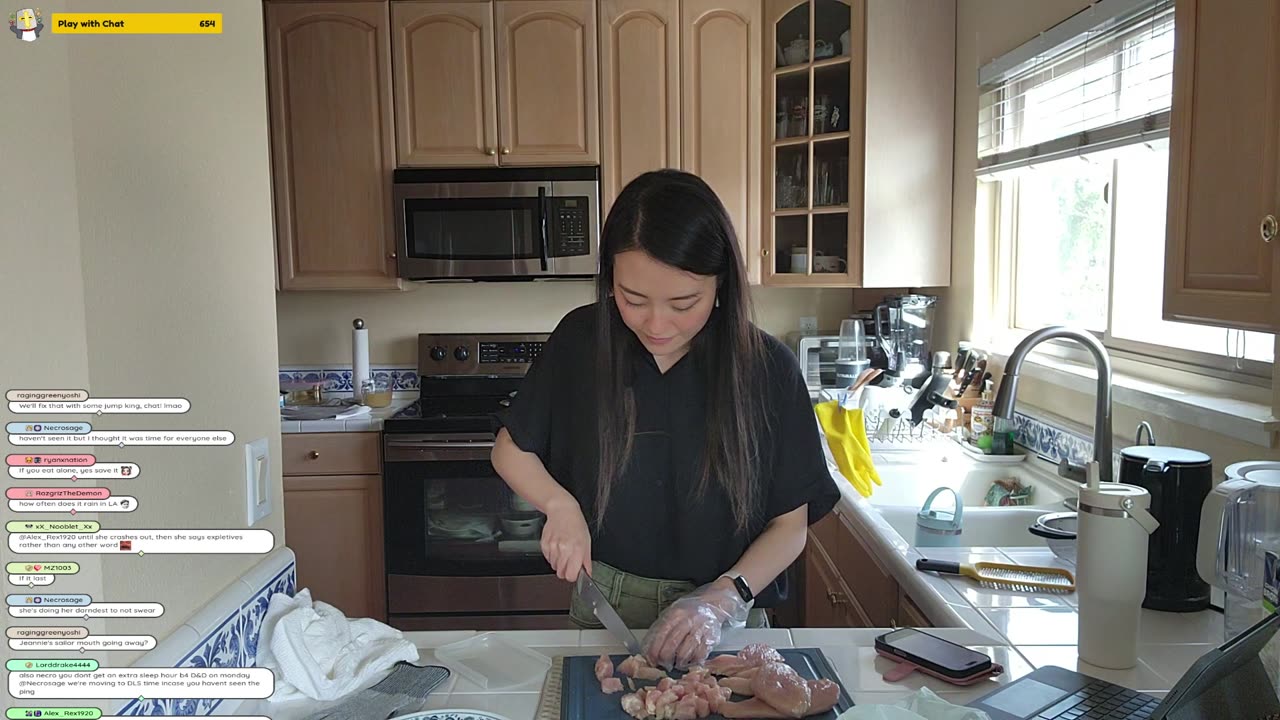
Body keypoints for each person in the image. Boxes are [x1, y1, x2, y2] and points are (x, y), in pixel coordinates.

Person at [492, 169, 839, 669]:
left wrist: (723, 598)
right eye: (632, 299)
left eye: (684, 303)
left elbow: (791, 526)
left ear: (722, 284)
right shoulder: (582, 341)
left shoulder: (767, 369)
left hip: (729, 616)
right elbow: (510, 448)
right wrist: (559, 505)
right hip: (608, 606)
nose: (656, 325)